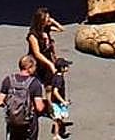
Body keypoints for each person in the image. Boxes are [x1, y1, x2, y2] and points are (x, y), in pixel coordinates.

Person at [27, 8, 70, 139]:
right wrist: (50, 64)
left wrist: (54, 22)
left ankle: (51, 110)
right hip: (37, 63)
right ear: (40, 20)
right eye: (46, 18)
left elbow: (62, 29)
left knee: (49, 87)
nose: (48, 20)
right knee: (32, 86)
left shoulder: (46, 29)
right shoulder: (32, 35)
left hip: (48, 61)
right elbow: (37, 53)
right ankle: (30, 107)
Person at [0, 55, 46, 140]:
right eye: (35, 66)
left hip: (12, 121)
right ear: (29, 67)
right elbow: (39, 107)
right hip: (28, 122)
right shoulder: (34, 83)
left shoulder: (8, 80)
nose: (35, 68)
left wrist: (12, 107)